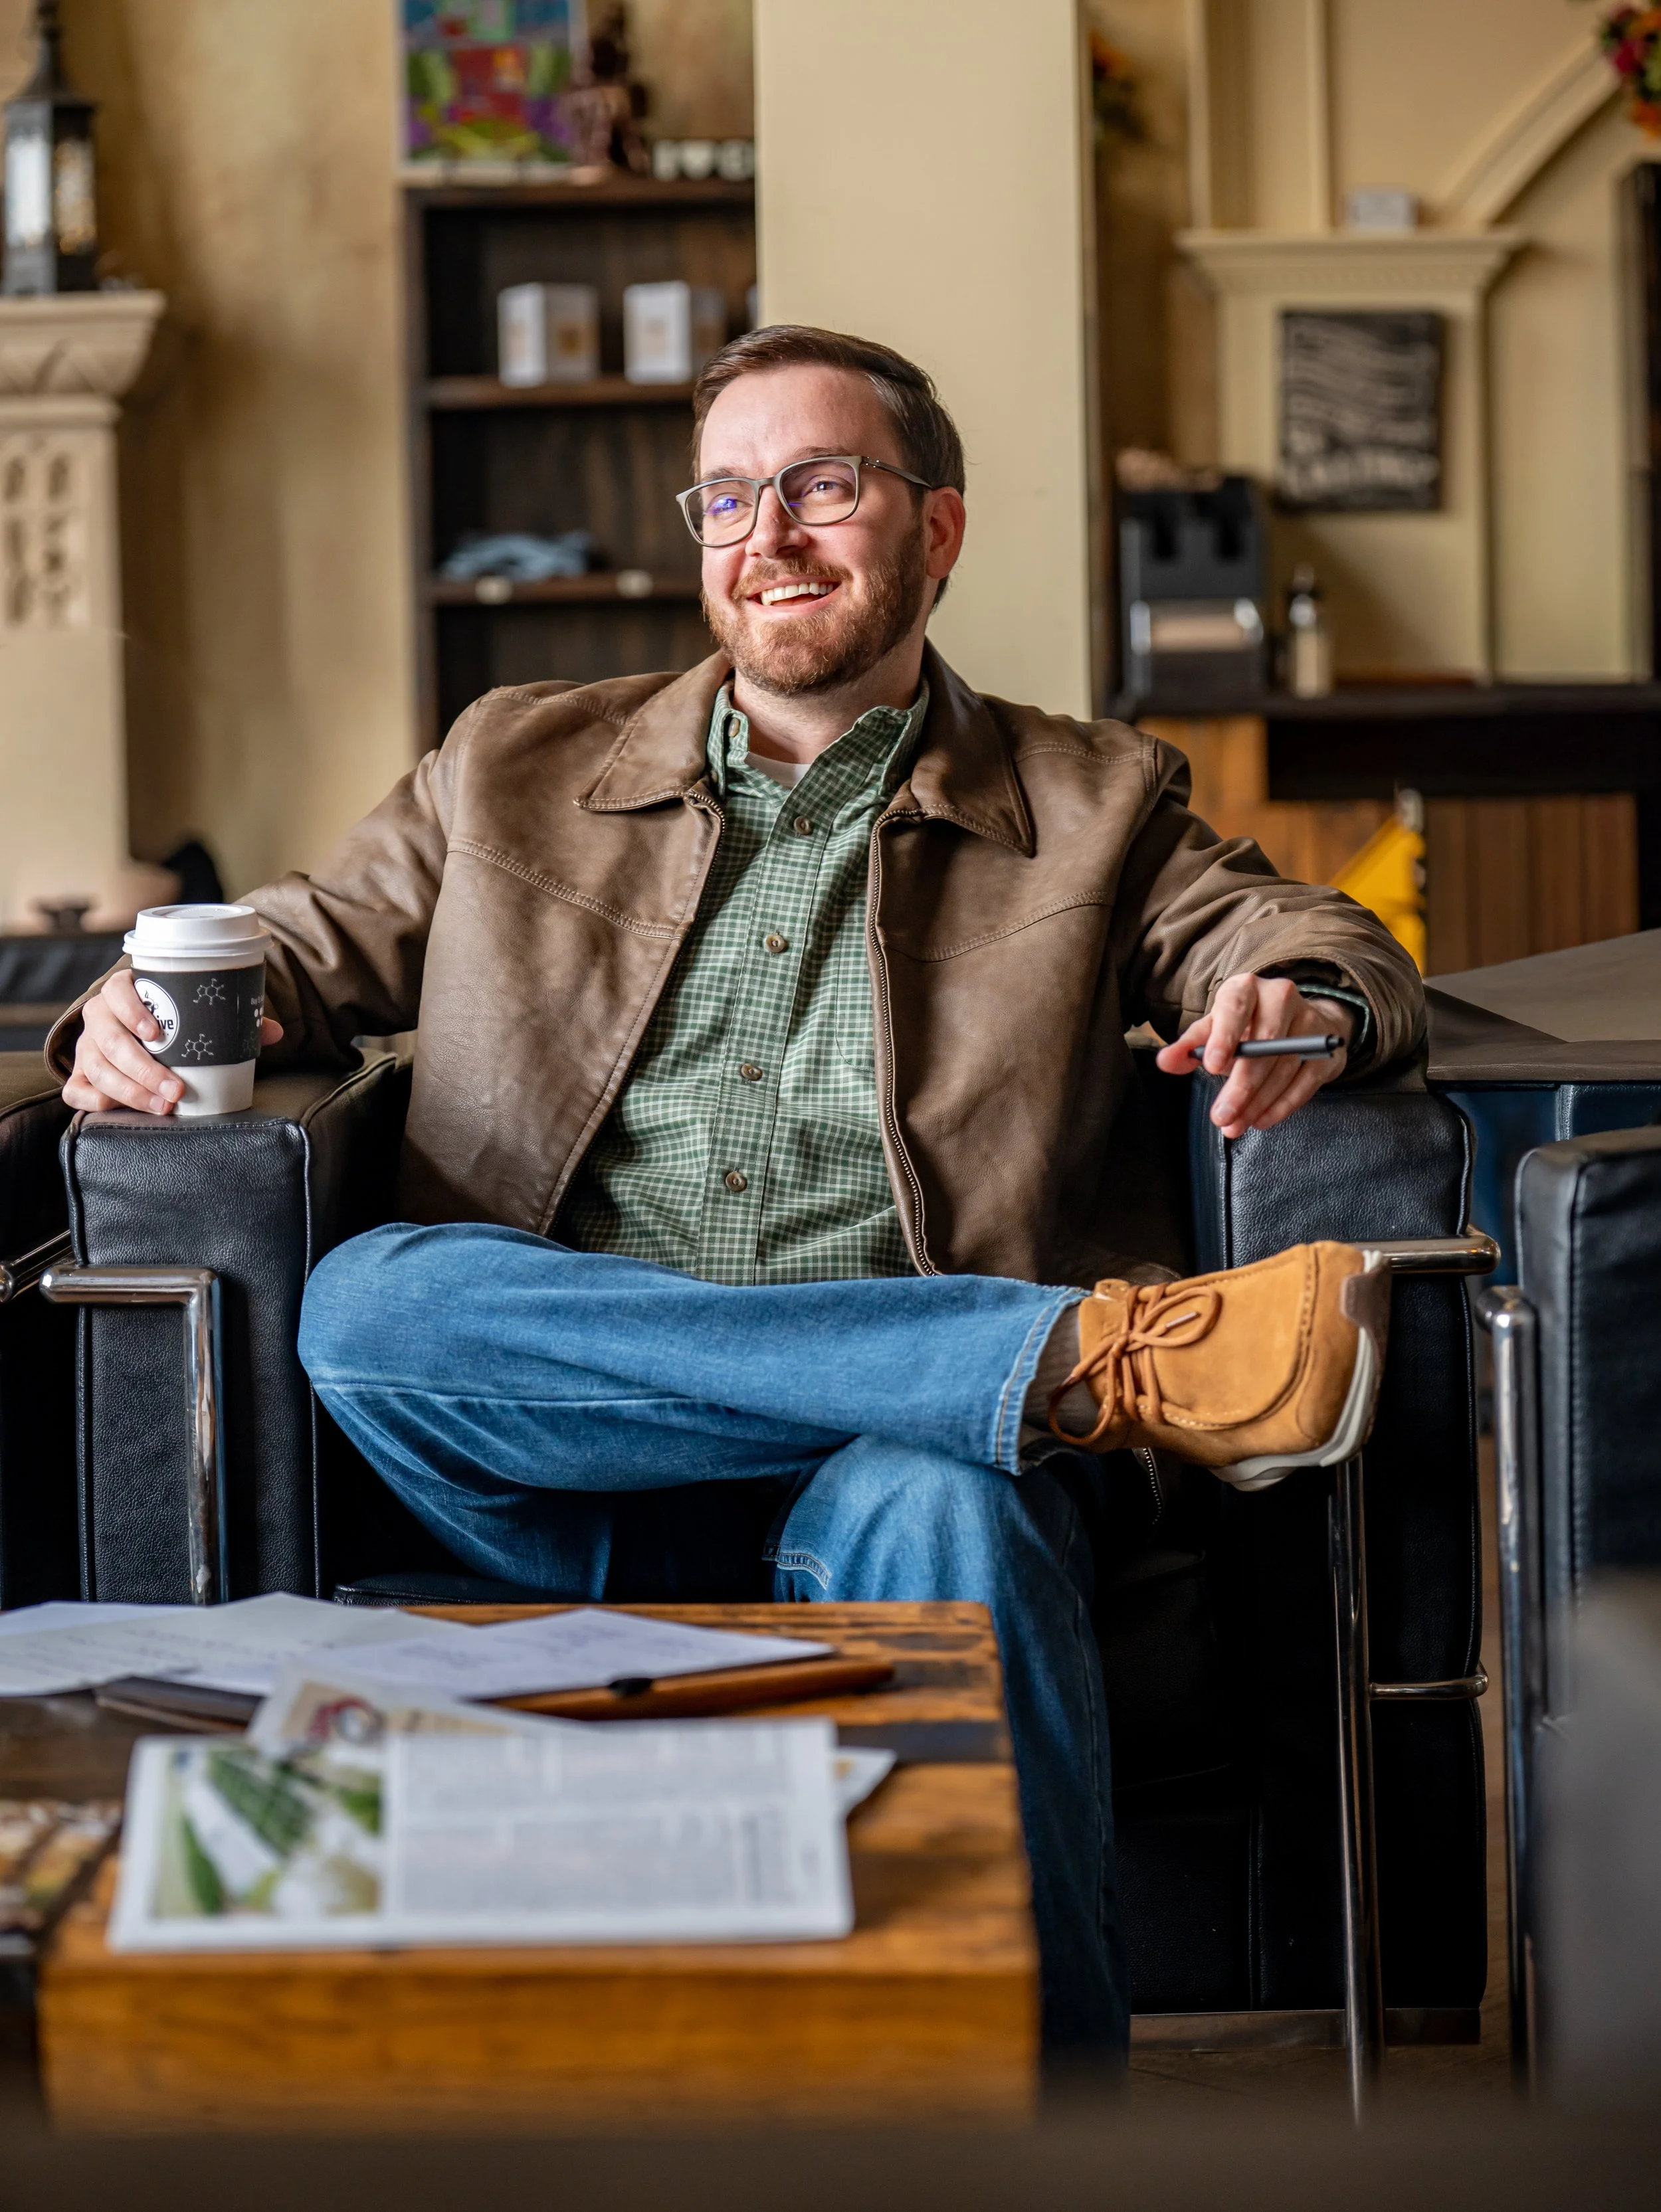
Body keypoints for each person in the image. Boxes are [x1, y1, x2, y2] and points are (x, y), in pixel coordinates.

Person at [56, 325, 1423, 2061]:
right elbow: (298, 952)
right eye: (726, 495)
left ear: (933, 530)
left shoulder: (1095, 801)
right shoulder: (507, 767)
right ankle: (1070, 1357)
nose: (765, 532)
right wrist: (150, 1007)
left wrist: (1300, 997)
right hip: (561, 1463)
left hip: (895, 1469)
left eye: (822, 485)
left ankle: (1047, 2154)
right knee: (379, 1306)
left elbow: (1298, 932)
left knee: (960, 1511)